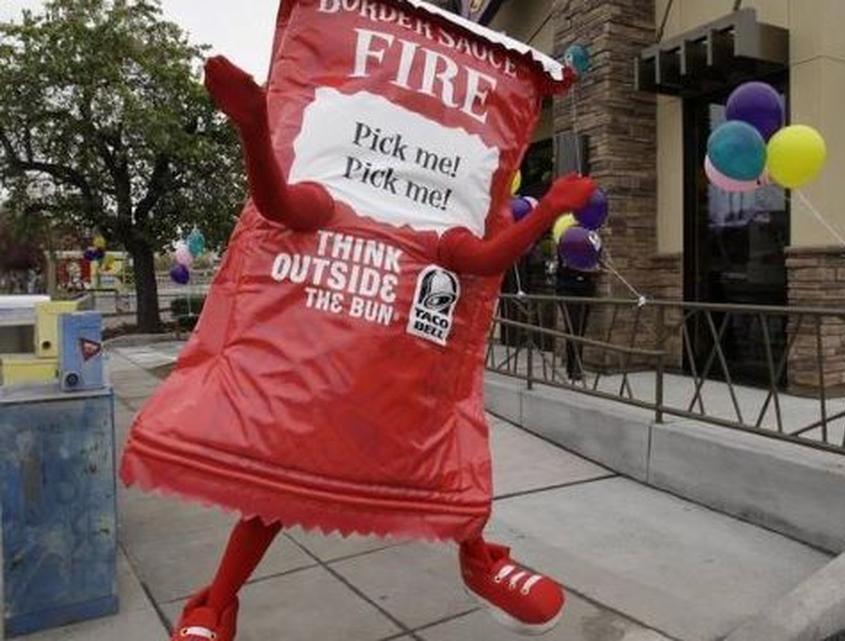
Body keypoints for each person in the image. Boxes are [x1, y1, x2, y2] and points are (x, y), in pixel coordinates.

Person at [118, 3, 595, 640]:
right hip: (319, 379)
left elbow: (483, 259)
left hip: (402, 383)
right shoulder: (326, 198)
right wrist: (254, 126)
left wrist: (543, 214)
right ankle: (216, 603)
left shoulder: (441, 229)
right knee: (280, 489)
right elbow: (275, 202)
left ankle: (481, 563)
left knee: (451, 467)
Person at [555, 258, 597, 381]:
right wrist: (586, 269)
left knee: (581, 328)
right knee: (574, 326)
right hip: (568, 289)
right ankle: (574, 367)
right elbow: (566, 266)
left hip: (586, 289)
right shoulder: (567, 244)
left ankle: (575, 365)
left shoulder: (590, 242)